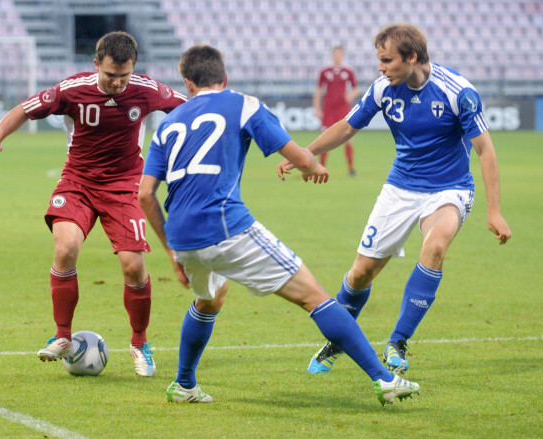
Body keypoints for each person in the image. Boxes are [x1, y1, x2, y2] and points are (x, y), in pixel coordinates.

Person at [138, 44, 420, 405]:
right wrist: (313, 166)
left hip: (181, 236)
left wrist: (171, 251)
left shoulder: (169, 122)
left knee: (209, 299)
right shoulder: (243, 104)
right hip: (226, 226)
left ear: (188, 84)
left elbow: (146, 195)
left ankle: (183, 384)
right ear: (224, 79)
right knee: (315, 296)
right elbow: (296, 154)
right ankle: (383, 379)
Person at [278, 24, 512, 375]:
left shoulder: (458, 92)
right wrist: (304, 154)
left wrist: (494, 211)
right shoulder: (382, 89)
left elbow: (485, 149)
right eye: (379, 60)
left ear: (412, 57)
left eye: (386, 60)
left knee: (435, 247)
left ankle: (398, 340)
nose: (380, 68)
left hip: (449, 189)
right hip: (400, 189)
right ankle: (339, 339)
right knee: (360, 274)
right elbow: (346, 126)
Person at [0, 31, 188, 376]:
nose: (118, 83)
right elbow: (24, 109)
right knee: (66, 248)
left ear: (133, 68)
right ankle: (62, 335)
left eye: (124, 76)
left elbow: (191, 107)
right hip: (78, 182)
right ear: (96, 65)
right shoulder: (71, 90)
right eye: (110, 76)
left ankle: (139, 344)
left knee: (134, 266)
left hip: (125, 187)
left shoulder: (148, 90)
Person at [313, 45, 359, 174]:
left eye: (340, 53)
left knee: (347, 137)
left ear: (342, 55)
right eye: (335, 53)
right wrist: (316, 108)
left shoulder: (348, 71)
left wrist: (350, 95)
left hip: (343, 108)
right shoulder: (325, 71)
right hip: (328, 107)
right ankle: (320, 167)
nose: (337, 56)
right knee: (324, 137)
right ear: (333, 55)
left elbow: (356, 89)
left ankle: (351, 169)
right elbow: (318, 90)